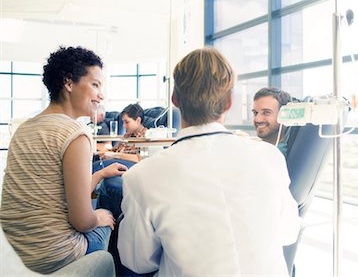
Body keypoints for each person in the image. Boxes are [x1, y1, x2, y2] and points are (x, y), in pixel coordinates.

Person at [117, 47, 301, 276]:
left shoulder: (141, 176)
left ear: (174, 99)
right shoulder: (269, 157)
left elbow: (138, 261)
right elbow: (288, 233)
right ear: (228, 103)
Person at [0, 46, 128, 274]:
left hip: (13, 254)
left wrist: (99, 175)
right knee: (107, 213)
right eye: (95, 85)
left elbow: (50, 193)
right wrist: (98, 218)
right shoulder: (76, 133)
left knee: (97, 195)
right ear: (69, 83)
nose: (101, 95)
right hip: (54, 256)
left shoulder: (24, 129)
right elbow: (81, 221)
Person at [252, 87, 293, 157]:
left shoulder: (278, 155)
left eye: (266, 112)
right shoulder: (260, 148)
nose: (257, 119)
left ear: (284, 115)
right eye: (255, 113)